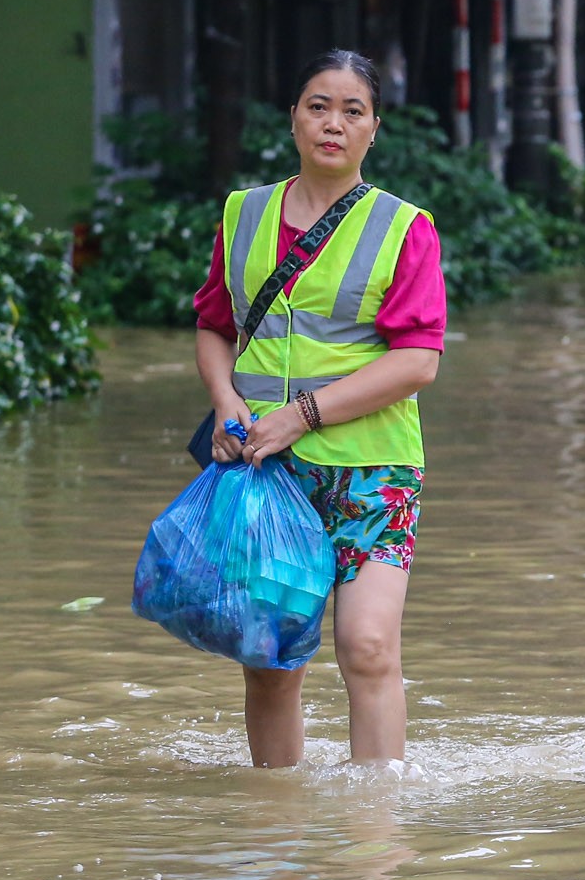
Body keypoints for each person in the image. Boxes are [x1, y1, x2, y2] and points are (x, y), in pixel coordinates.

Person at [191, 48, 445, 768]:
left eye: (352, 110)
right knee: (271, 662)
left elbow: (417, 360)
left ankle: (374, 838)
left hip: (372, 468)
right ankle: (278, 834)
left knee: (367, 647)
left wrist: (301, 413)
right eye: (318, 105)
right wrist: (225, 400)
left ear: (373, 130)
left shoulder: (405, 228)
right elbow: (214, 322)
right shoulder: (242, 214)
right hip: (265, 470)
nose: (333, 122)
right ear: (294, 118)